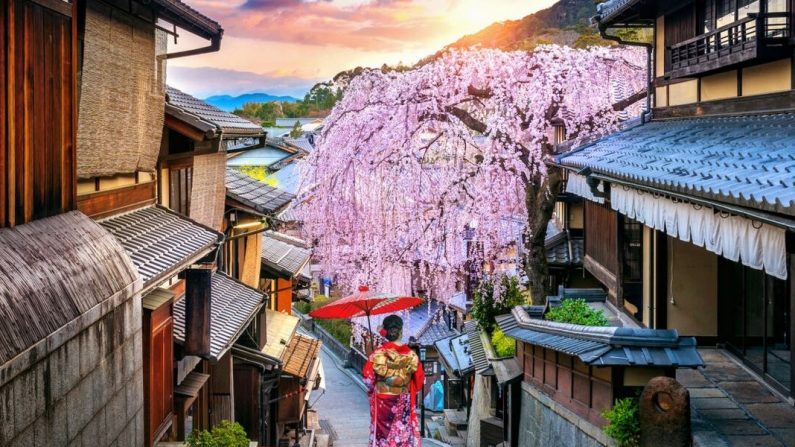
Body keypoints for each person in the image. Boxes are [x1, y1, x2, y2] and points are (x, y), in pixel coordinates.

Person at [362, 315, 425, 447]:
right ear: (401, 331)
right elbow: (419, 382)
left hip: (382, 403)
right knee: (403, 436)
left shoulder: (378, 354)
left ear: (385, 332)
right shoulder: (411, 355)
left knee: (382, 438)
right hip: (403, 400)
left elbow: (368, 380)